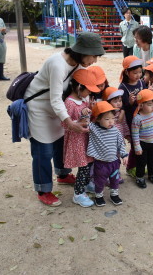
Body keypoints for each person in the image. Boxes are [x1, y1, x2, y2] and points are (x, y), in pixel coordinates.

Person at [24, 32, 104, 206]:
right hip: (39, 109)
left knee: (60, 143)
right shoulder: (57, 64)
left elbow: (83, 88)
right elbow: (54, 98)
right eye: (94, 56)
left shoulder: (78, 65)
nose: (94, 61)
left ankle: (62, 174)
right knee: (43, 150)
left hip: (58, 110)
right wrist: (69, 122)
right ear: (83, 51)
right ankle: (43, 189)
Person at [62, 69, 99, 208]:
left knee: (89, 163)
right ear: (78, 87)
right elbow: (64, 124)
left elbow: (86, 117)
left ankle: (87, 184)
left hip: (86, 139)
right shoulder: (69, 103)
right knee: (83, 167)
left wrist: (90, 109)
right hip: (77, 141)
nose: (90, 93)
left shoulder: (83, 100)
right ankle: (78, 194)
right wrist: (78, 121)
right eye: (88, 90)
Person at [88, 101, 128, 206]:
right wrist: (89, 110)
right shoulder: (94, 128)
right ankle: (99, 196)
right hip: (100, 163)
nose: (111, 122)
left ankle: (114, 194)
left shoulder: (115, 131)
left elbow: (121, 144)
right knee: (99, 181)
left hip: (114, 162)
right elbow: (86, 121)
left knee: (115, 180)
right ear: (98, 119)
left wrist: (124, 155)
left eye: (113, 118)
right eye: (107, 119)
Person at [118, 56, 146, 177]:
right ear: (127, 72)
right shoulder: (123, 87)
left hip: (142, 118)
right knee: (135, 143)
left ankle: (138, 165)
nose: (138, 75)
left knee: (141, 142)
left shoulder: (141, 82)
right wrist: (129, 102)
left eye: (140, 72)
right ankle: (130, 167)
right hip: (131, 119)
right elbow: (122, 107)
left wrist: (148, 92)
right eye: (135, 73)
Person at [131, 89, 153, 188]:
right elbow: (135, 133)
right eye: (150, 104)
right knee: (141, 162)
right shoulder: (137, 118)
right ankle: (140, 177)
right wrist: (137, 147)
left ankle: (152, 174)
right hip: (142, 143)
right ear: (141, 105)